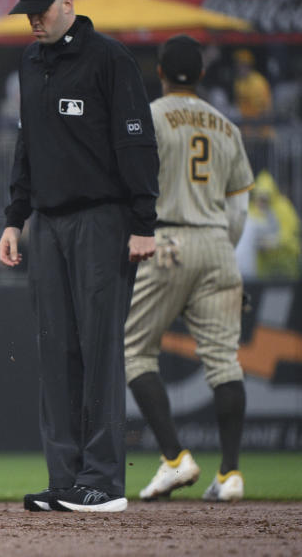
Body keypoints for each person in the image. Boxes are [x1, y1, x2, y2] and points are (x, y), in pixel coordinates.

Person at [0, 0, 159, 513]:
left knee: (99, 350)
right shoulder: (30, 61)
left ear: (68, 1)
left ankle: (104, 482)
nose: (32, 21)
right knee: (57, 352)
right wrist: (14, 217)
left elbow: (136, 141)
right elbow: (27, 145)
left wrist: (143, 222)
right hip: (46, 223)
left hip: (102, 220)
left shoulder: (109, 58)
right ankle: (66, 479)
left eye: (39, 10)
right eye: (26, 13)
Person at [124, 35, 255, 504]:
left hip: (166, 239)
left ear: (160, 72)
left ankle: (176, 460)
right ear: (201, 74)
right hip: (218, 242)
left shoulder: (152, 116)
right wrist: (221, 248)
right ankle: (232, 472)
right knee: (224, 361)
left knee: (136, 351)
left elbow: (133, 183)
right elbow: (239, 209)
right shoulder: (227, 126)